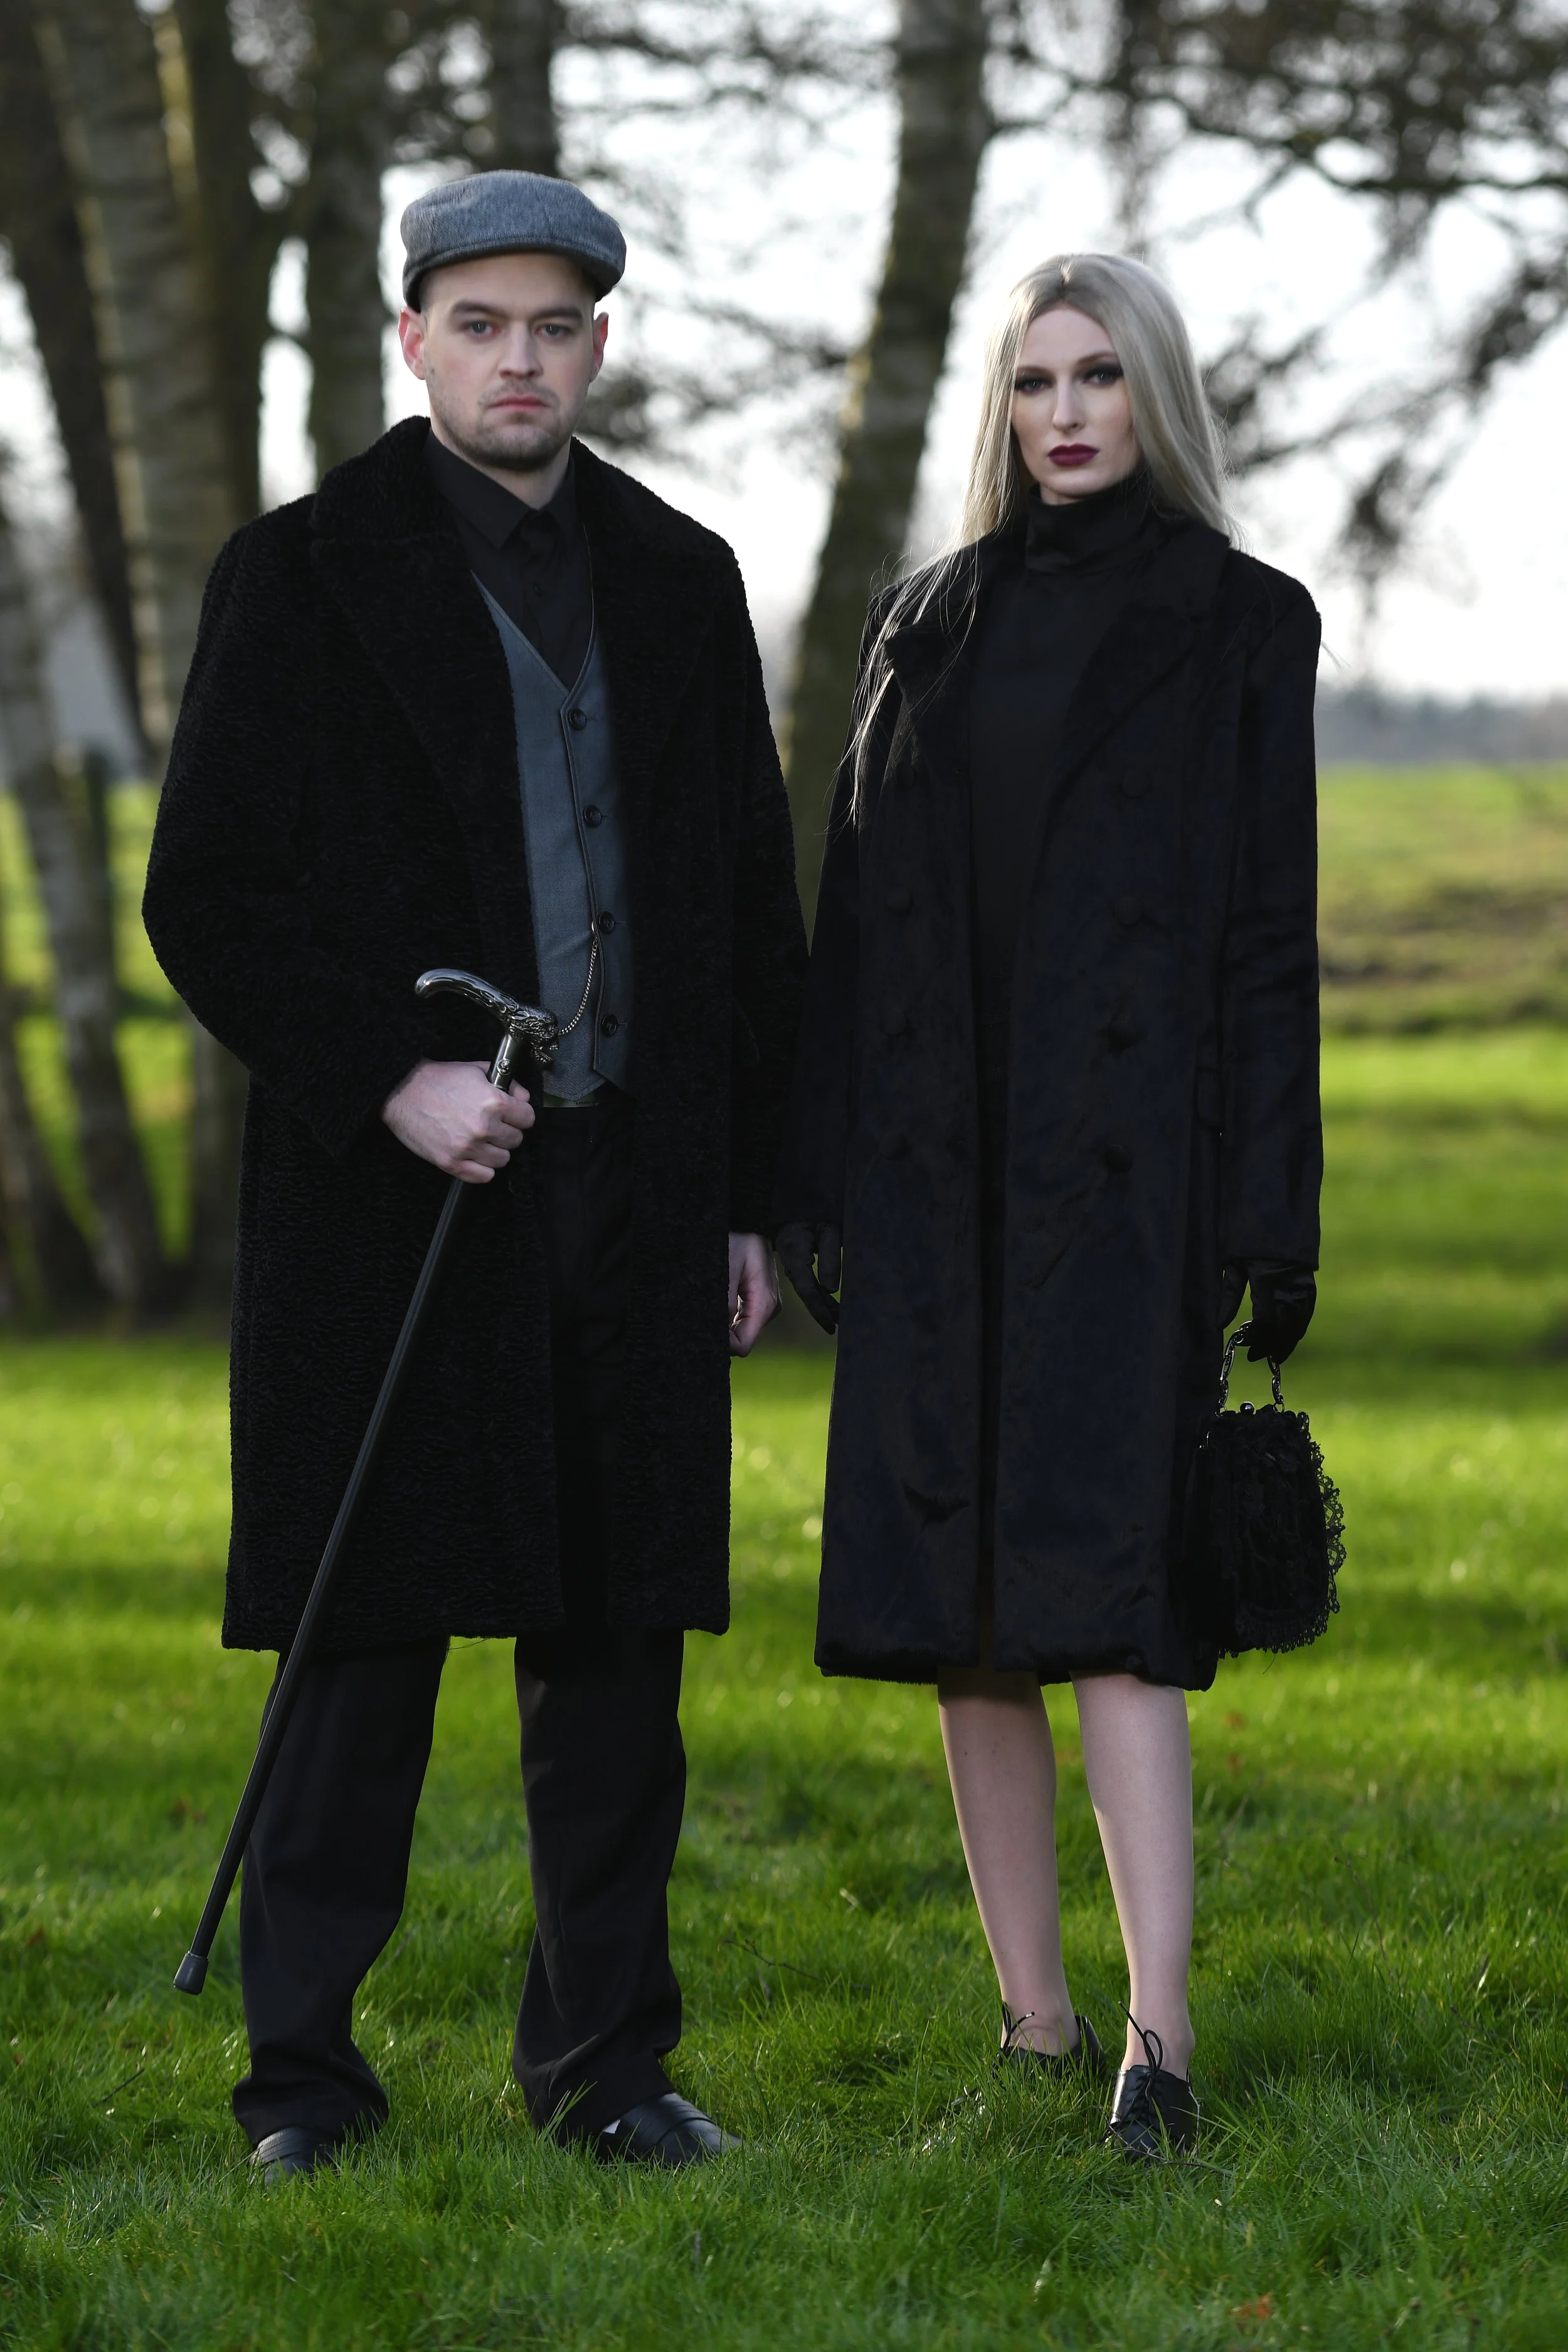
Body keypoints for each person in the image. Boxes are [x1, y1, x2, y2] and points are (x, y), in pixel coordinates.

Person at [144, 171, 805, 2181]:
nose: (520, 358)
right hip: (398, 1203)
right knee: (366, 1636)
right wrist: (392, 1077)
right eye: (481, 324)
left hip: (632, 1183)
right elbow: (205, 897)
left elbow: (743, 919)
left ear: (599, 344)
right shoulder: (301, 571)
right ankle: (305, 2083)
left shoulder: (682, 578)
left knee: (615, 1651)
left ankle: (604, 2063)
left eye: (555, 326)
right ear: (411, 340)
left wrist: (743, 1195)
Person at [775, 253, 1321, 2162]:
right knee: (963, 1608)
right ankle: (1030, 2019)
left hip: (1124, 1183)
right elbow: (844, 928)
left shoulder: (1242, 623)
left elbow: (1269, 934)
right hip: (930, 1175)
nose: (1063, 412)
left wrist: (1270, 1213)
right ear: (994, 408)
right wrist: (814, 1169)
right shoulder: (918, 622)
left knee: (1114, 1601)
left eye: (1098, 377)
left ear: (1151, 396)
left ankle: (1154, 2045)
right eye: (1030, 382)